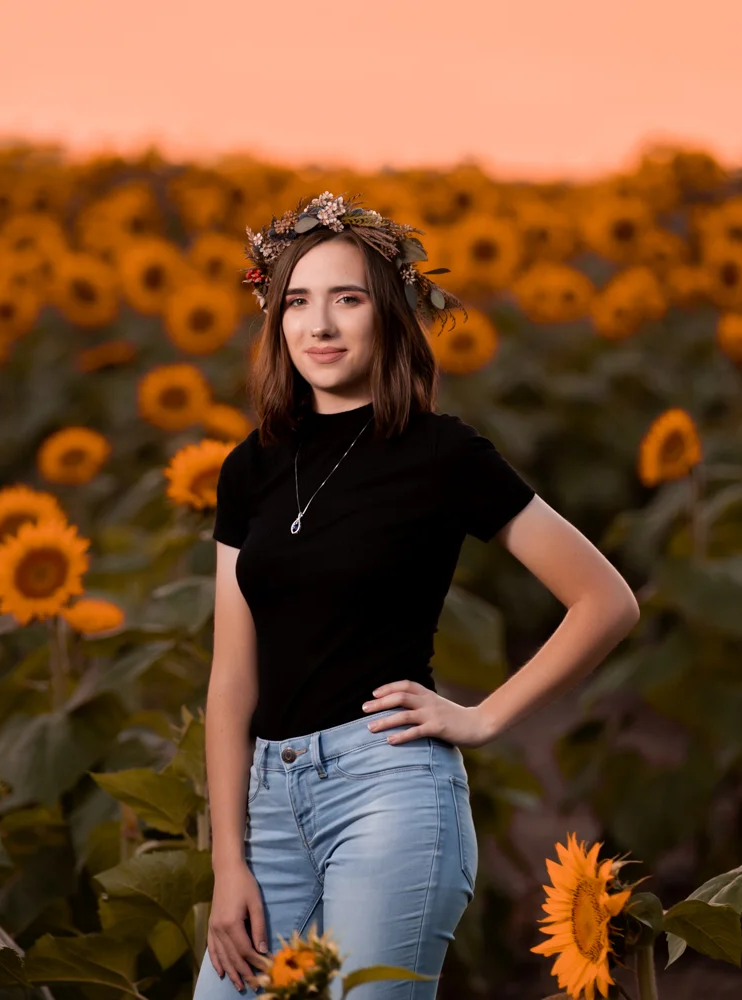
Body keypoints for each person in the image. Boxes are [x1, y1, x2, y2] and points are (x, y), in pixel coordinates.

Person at [195, 192, 640, 998]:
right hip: (267, 808)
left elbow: (605, 600)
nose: (320, 325)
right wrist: (229, 861)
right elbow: (231, 683)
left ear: (390, 316)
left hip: (387, 794)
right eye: (297, 301)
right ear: (274, 318)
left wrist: (484, 716)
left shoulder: (442, 456)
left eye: (348, 299)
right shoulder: (250, 468)